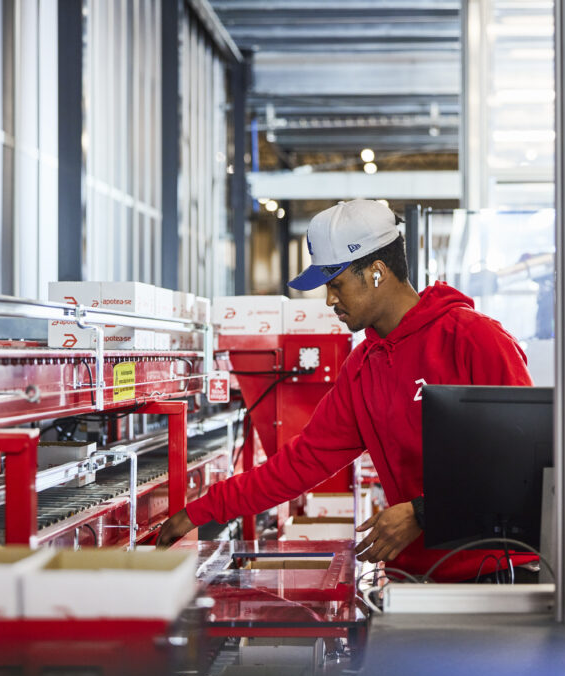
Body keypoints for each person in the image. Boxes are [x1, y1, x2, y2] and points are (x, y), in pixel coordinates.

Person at [157, 199, 533, 581]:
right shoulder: (363, 367)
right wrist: (200, 511)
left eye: (335, 285)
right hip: (418, 577)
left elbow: (521, 467)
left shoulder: (475, 339)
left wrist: (424, 512)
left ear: (376, 272)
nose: (329, 300)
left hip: (494, 573)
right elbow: (300, 462)